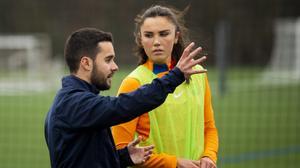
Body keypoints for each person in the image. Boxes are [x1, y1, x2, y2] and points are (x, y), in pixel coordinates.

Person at [44, 27, 207, 168]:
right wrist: (175, 76)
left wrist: (123, 157)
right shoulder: (74, 104)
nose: (115, 67)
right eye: (108, 60)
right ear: (86, 63)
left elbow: (87, 159)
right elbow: (123, 106)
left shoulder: (73, 103)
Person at [112, 5, 218, 168]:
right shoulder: (134, 82)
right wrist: (174, 163)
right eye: (148, 35)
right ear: (140, 39)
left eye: (164, 34)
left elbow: (209, 127)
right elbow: (120, 149)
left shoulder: (198, 74)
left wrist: (209, 156)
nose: (156, 42)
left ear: (176, 37)